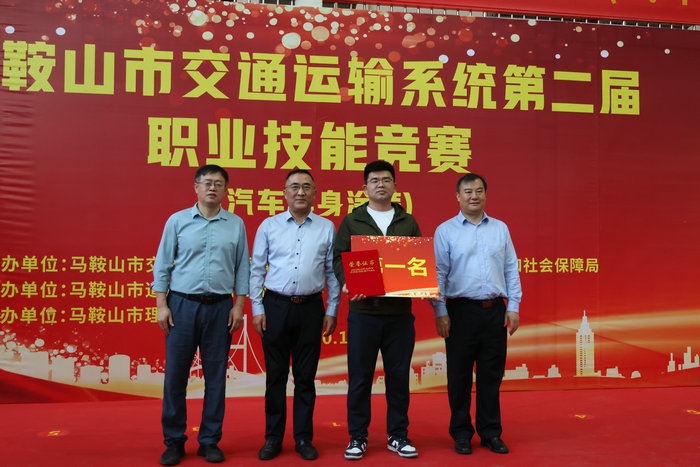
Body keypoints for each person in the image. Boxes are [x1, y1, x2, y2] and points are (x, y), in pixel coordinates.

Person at [152, 165, 250, 465]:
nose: (212, 188)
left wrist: (238, 306)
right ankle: (174, 440)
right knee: (176, 377)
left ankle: (209, 440)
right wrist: (161, 305)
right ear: (196, 187)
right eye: (207, 183)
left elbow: (242, 268)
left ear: (226, 190)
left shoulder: (236, 224)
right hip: (181, 305)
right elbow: (162, 264)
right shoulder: (177, 221)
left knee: (216, 377)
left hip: (220, 308)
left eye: (218, 184)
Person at [249, 169, 341, 461]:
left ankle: (303, 438)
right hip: (275, 307)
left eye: (306, 187)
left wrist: (332, 309)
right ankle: (273, 438)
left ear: (315, 193)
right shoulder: (269, 226)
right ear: (285, 193)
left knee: (305, 378)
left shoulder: (327, 227)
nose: (300, 192)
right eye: (294, 187)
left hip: (311, 309)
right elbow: (256, 270)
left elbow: (332, 272)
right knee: (275, 377)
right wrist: (257, 308)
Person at [332, 160, 421, 460]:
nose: (380, 184)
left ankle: (398, 435)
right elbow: (338, 257)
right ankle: (357, 436)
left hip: (399, 314)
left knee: (398, 377)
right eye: (374, 180)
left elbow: (418, 259)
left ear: (395, 186)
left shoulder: (407, 221)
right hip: (364, 313)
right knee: (360, 378)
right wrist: (347, 281)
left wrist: (419, 283)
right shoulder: (352, 220)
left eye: (386, 180)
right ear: (365, 187)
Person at [431, 173, 522, 456]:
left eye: (479, 191)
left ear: (485, 194)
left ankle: (491, 432)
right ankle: (461, 433)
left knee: (490, 376)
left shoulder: (500, 229)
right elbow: (438, 273)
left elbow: (511, 268)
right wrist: (440, 311)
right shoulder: (446, 230)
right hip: (460, 312)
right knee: (459, 377)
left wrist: (513, 306)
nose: (474, 196)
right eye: (468, 191)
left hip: (494, 311)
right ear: (458, 197)